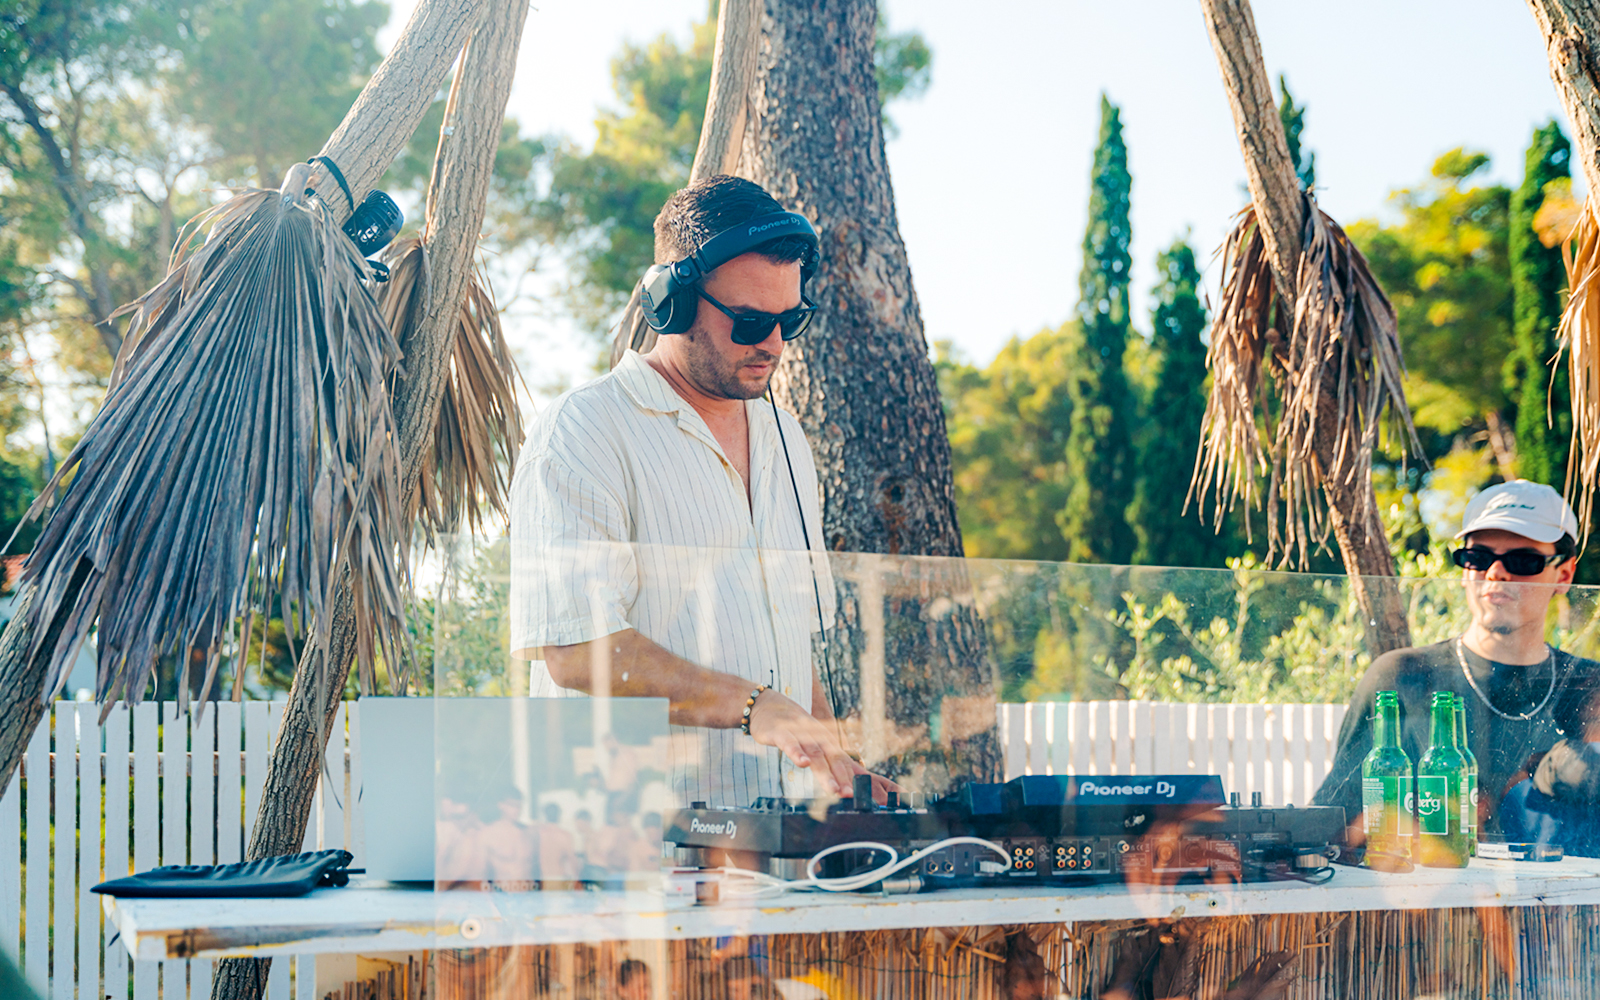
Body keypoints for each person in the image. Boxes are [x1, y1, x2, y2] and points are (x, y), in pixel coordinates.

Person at [510, 174, 892, 808]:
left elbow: (790, 645)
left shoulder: (787, 440)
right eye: (748, 322)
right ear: (671, 302)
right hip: (631, 853)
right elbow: (575, 649)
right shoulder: (581, 430)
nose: (772, 344)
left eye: (788, 320)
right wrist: (752, 707)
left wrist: (839, 767)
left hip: (775, 850)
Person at [1314, 480, 1600, 843]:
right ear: (1464, 570)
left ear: (1564, 575)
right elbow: (1337, 824)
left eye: (1523, 560)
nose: (1495, 573)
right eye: (1478, 558)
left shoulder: (1589, 687)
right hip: (1427, 897)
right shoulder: (1403, 678)